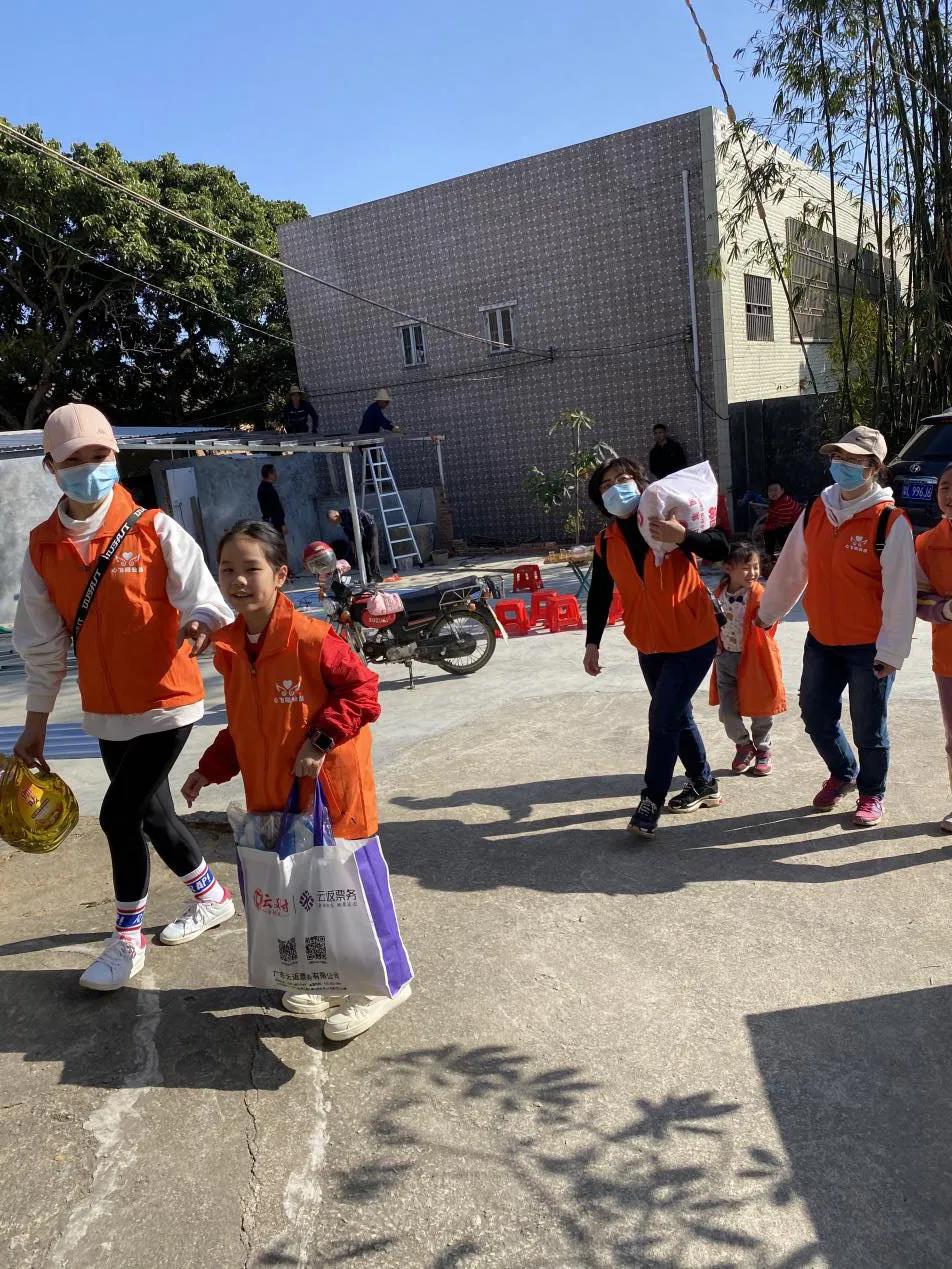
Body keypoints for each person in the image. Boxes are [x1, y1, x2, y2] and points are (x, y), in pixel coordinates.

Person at [12, 402, 234, 991]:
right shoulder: (43, 549)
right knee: (153, 814)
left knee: (117, 815)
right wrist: (35, 724)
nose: (90, 468)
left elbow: (206, 596)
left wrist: (201, 622)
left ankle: (127, 939)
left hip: (168, 700)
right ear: (51, 468)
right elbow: (42, 647)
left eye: (100, 455)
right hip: (106, 712)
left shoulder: (154, 529)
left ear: (115, 456)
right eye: (74, 460)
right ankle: (212, 897)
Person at [181, 520, 412, 1040]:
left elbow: (363, 692)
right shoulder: (231, 647)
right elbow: (243, 724)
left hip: (331, 791)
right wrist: (208, 770)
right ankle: (329, 977)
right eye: (227, 570)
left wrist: (320, 741)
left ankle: (387, 984)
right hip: (275, 796)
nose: (239, 580)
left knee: (355, 886)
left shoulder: (312, 638)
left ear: (281, 575)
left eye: (251, 568)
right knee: (308, 892)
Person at [758, 425, 917, 828]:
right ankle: (844, 772)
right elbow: (793, 565)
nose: (841, 464)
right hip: (822, 639)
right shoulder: (817, 509)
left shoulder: (889, 521)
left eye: (853, 460)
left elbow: (901, 593)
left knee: (869, 727)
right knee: (815, 714)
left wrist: (892, 651)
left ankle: (872, 793)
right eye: (838, 456)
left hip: (869, 646)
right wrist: (768, 611)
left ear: (873, 468)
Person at [583, 456, 730, 837]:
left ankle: (651, 801)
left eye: (623, 478)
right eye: (606, 485)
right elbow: (599, 593)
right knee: (676, 715)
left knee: (663, 717)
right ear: (600, 498)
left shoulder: (667, 517)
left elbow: (720, 546)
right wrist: (592, 642)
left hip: (692, 637)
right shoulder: (606, 541)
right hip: (648, 642)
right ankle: (704, 782)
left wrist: (683, 537)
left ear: (640, 482)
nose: (616, 487)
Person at [708, 542, 786, 777]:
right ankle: (744, 745)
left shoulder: (760, 594)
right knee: (727, 711)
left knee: (760, 706)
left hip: (755, 658)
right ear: (728, 568)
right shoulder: (718, 594)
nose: (752, 573)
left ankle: (763, 750)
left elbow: (772, 620)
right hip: (725, 659)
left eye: (755, 567)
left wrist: (768, 619)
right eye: (745, 568)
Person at [913, 464, 952, 831]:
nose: (950, 494)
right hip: (949, 657)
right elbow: (918, 599)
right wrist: (944, 610)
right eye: (945, 487)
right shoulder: (925, 544)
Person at [327, 506, 382, 581]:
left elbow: (359, 527)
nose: (334, 523)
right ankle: (368, 577)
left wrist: (359, 541)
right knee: (363, 554)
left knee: (371, 551)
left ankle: (376, 574)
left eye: (333, 521)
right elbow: (349, 534)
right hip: (360, 532)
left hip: (369, 527)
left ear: (336, 515)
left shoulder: (349, 511)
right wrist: (353, 547)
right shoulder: (342, 521)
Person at [762, 481, 801, 556]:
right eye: (770, 490)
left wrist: (766, 526)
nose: (773, 492)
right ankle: (770, 554)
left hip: (795, 526)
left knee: (778, 532)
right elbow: (771, 516)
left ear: (782, 490)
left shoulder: (784, 502)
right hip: (785, 523)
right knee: (768, 531)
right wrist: (766, 525)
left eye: (775, 490)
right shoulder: (775, 502)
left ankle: (787, 554)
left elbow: (783, 523)